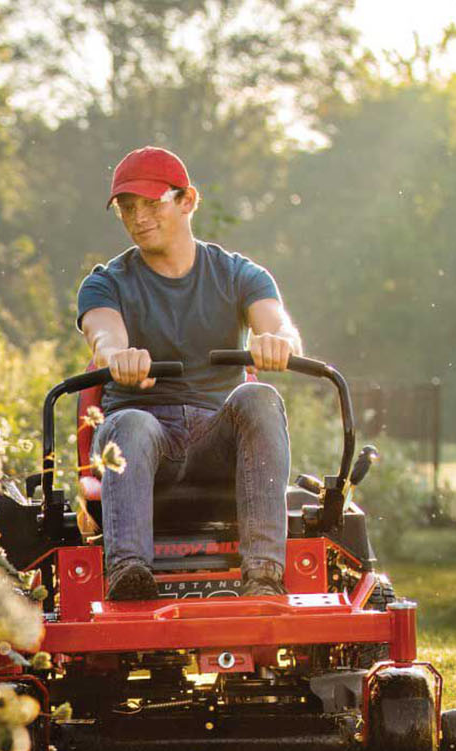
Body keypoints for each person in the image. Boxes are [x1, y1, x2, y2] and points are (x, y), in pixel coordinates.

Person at [76, 145, 304, 601]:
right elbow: (103, 336)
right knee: (131, 422)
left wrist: (275, 341)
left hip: (212, 439)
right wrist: (117, 355)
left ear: (187, 201)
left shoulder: (239, 274)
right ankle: (129, 574)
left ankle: (263, 574)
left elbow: (280, 325)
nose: (139, 217)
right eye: (127, 207)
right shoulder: (107, 282)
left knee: (258, 398)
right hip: (140, 438)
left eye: (152, 203)